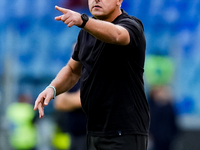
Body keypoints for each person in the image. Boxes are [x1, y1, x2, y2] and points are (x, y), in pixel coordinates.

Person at [34, 0, 150, 149]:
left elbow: (116, 35)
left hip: (124, 131)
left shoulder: (132, 25)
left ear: (119, 1)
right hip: (95, 131)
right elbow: (72, 70)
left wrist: (83, 21)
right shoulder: (86, 33)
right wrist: (52, 88)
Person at [54, 81, 87, 150]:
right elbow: (58, 103)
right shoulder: (71, 78)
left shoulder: (91, 77)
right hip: (72, 135)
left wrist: (67, 99)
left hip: (88, 135)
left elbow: (81, 100)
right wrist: (75, 98)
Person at [148, 85, 178, 150]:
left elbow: (173, 122)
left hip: (168, 137)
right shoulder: (152, 109)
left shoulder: (169, 107)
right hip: (157, 138)